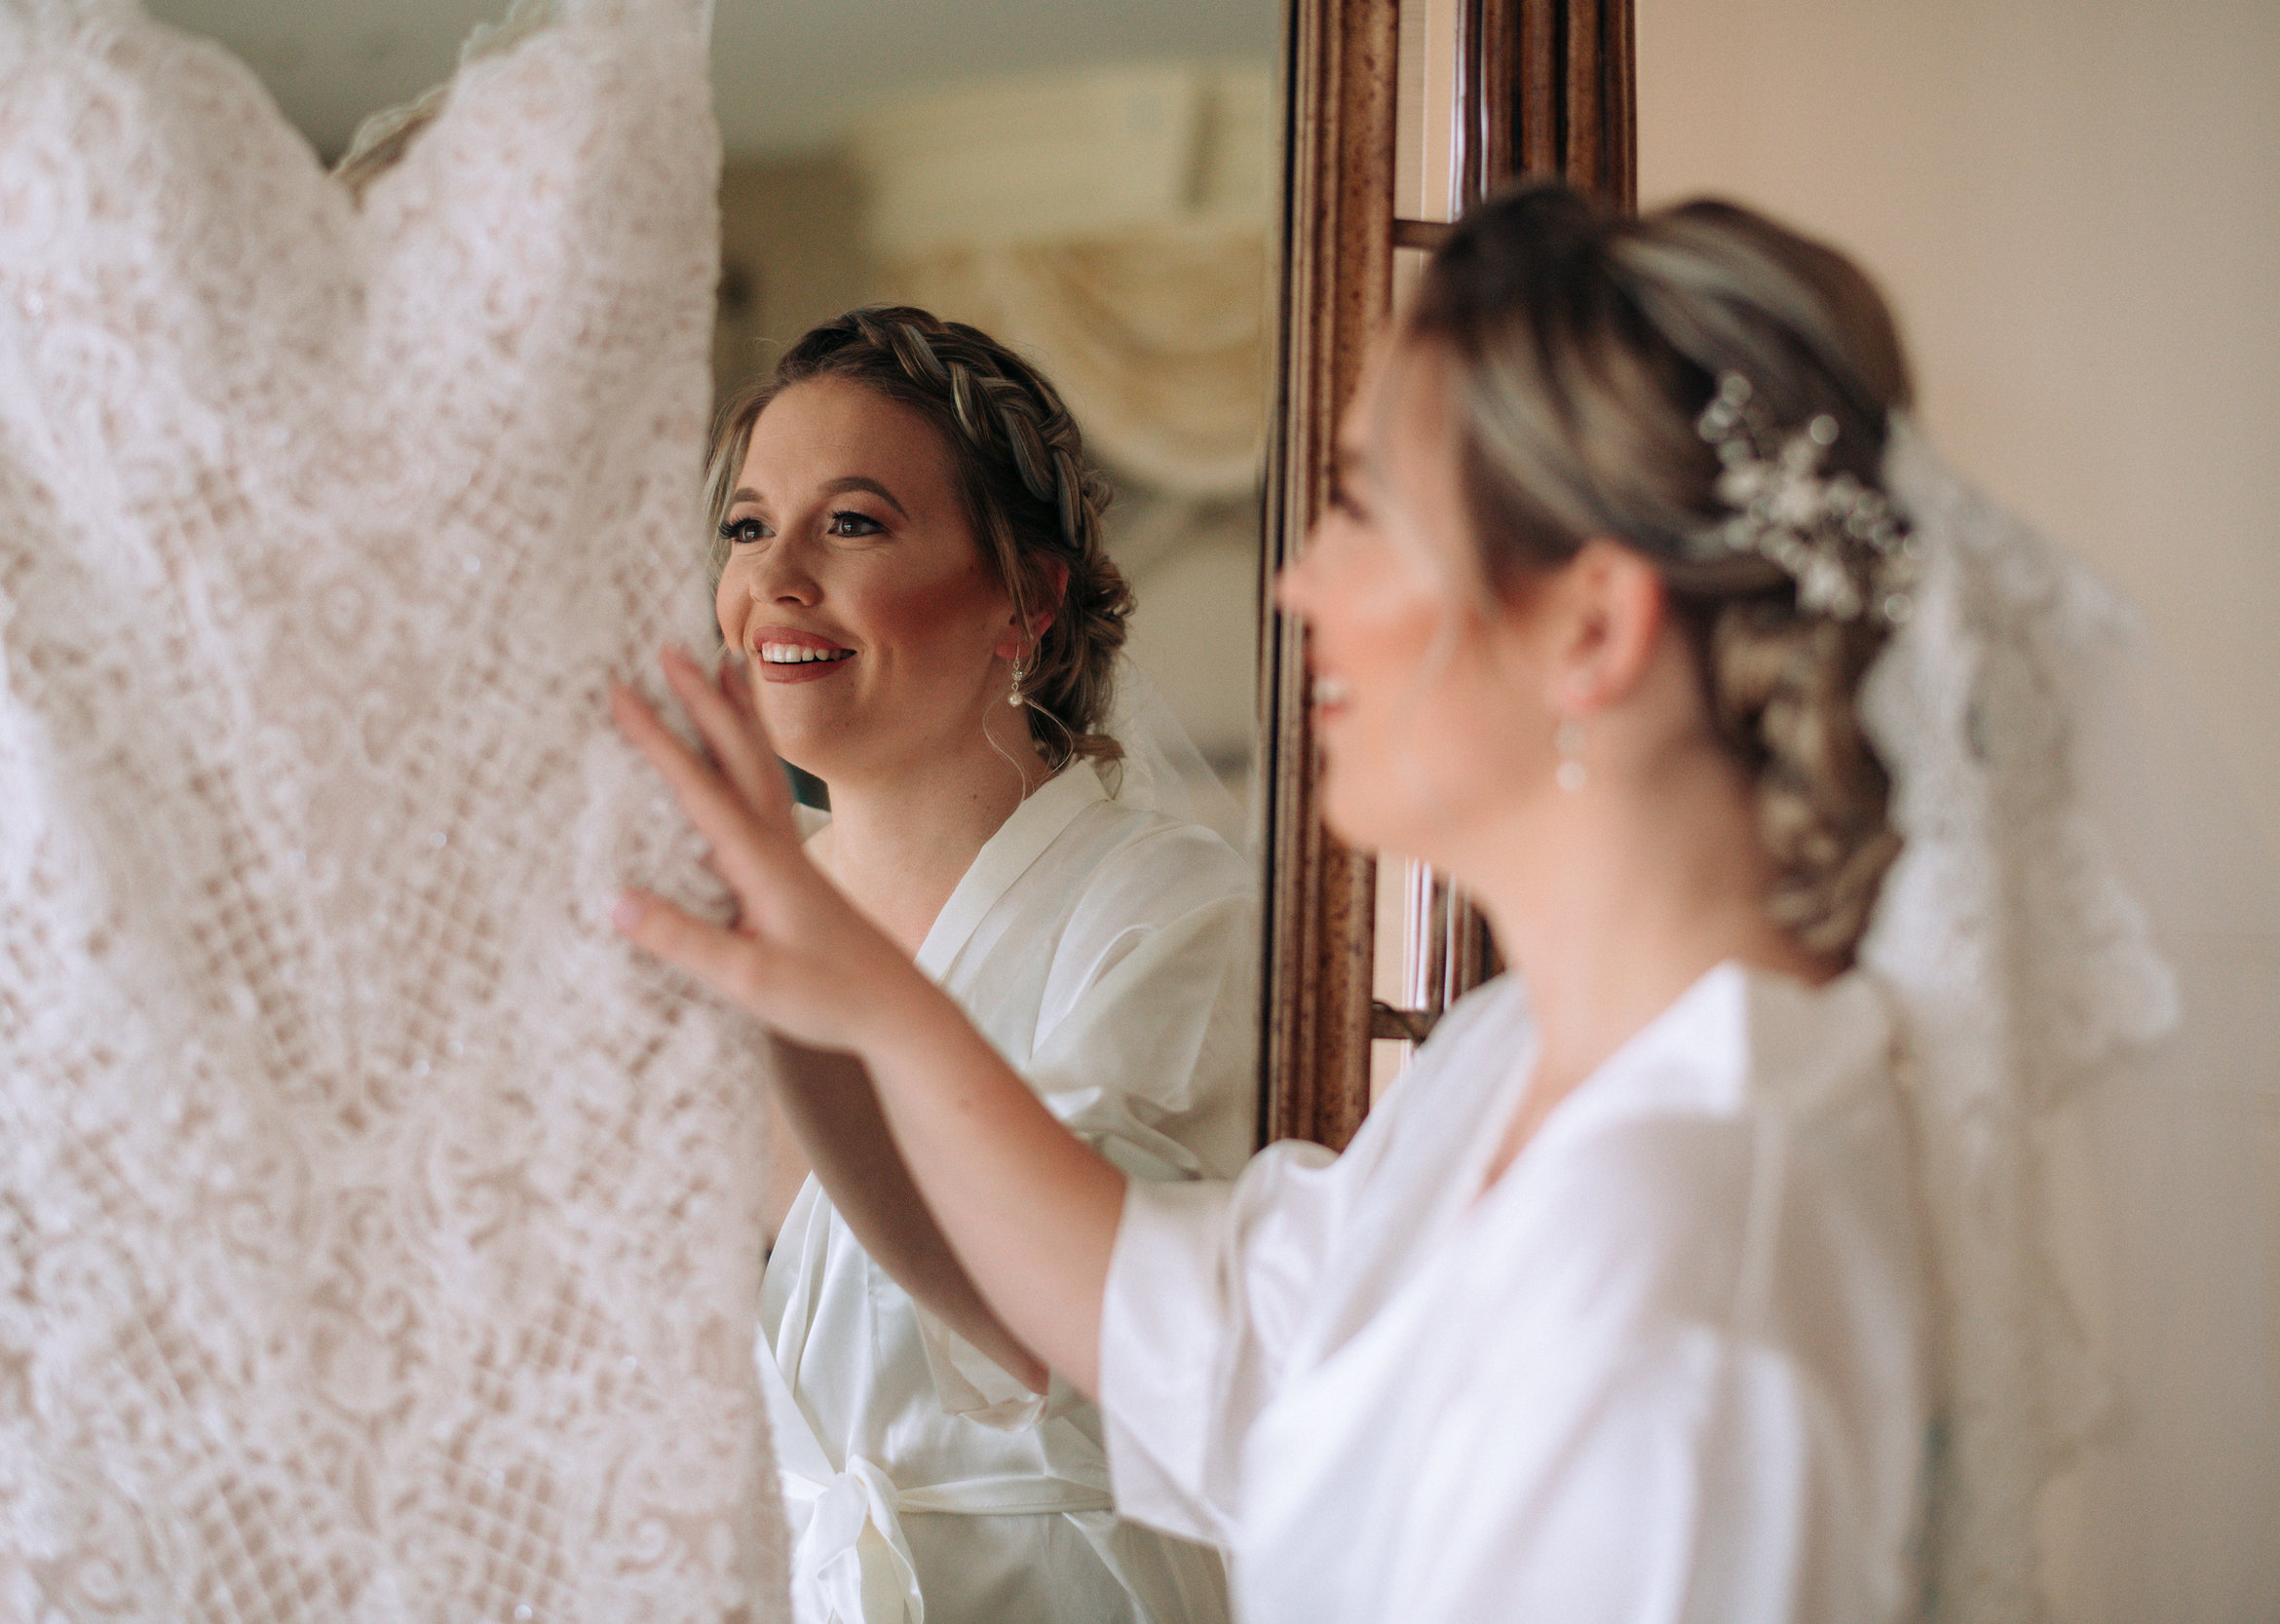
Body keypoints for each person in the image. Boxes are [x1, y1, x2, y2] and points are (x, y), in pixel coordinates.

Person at [614, 190, 2280, 1621]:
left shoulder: (1698, 1237)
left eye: (1366, 511)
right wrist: (840, 985)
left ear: (1594, 629)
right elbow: (1200, 1339)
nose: (1295, 583)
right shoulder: (1499, 1069)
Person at [678, 307, 1251, 1623]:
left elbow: (1054, 1325)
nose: (774, 583)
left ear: (1028, 598)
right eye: (750, 526)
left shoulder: (1166, 914)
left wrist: (806, 1000)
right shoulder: (694, 922)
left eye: (855, 523)